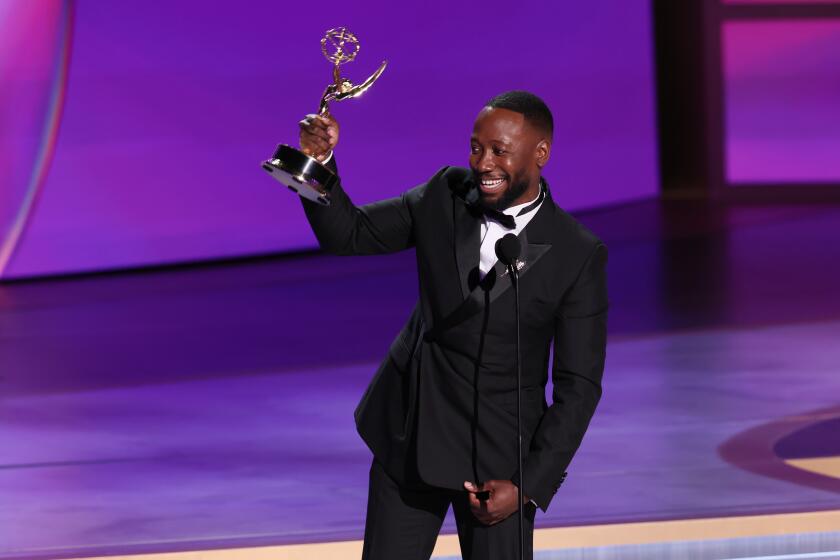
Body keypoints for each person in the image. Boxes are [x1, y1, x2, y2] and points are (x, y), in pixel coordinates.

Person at [297, 90, 608, 560]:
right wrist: (318, 164)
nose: (483, 163)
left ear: (540, 153)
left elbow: (578, 388)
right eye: (476, 147)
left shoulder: (576, 253)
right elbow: (350, 234)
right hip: (412, 435)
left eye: (499, 151)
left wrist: (527, 486)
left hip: (499, 463)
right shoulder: (445, 194)